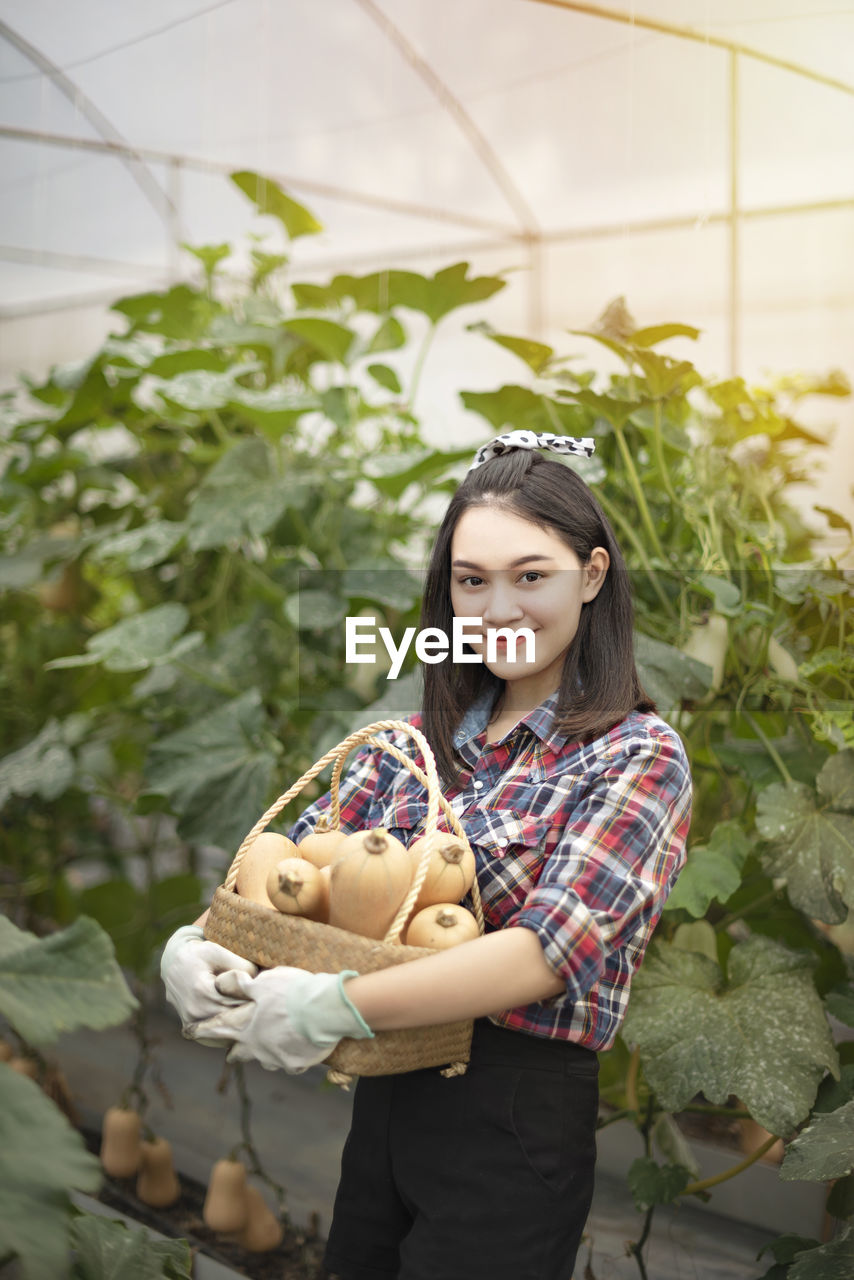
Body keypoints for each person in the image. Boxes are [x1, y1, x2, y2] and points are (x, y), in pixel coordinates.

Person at [160, 429, 692, 1280]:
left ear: (591, 576)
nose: (500, 607)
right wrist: (201, 941)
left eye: (532, 576)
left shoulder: (635, 756)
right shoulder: (408, 744)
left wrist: (333, 1007)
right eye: (472, 580)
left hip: (513, 1120)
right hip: (385, 1099)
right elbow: (293, 868)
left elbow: (546, 953)